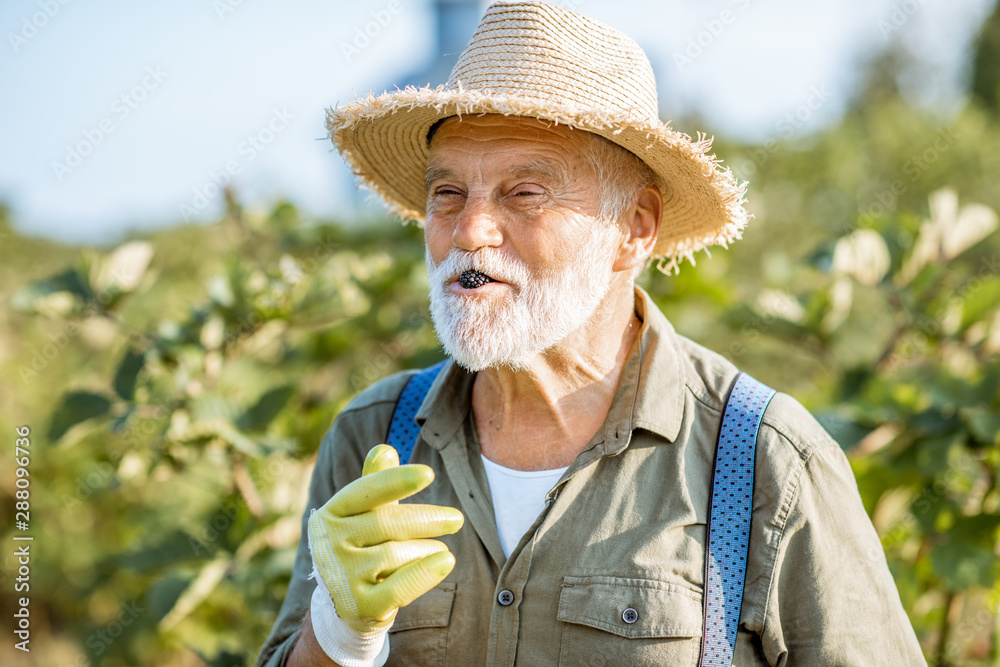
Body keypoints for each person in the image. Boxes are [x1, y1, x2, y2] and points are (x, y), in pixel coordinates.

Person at [257, 2, 926, 665]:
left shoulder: (767, 461)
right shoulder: (373, 438)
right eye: (448, 193)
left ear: (634, 227)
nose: (468, 232)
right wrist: (336, 634)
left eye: (524, 192)